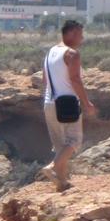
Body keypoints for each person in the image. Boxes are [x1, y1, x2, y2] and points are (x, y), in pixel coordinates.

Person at [41, 19, 98, 190]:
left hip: (49, 102)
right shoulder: (72, 54)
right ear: (71, 34)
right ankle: (51, 167)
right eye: (80, 35)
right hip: (67, 104)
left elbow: (44, 79)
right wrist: (86, 103)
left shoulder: (50, 52)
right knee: (74, 140)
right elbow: (75, 80)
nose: (82, 39)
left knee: (60, 145)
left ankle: (62, 183)